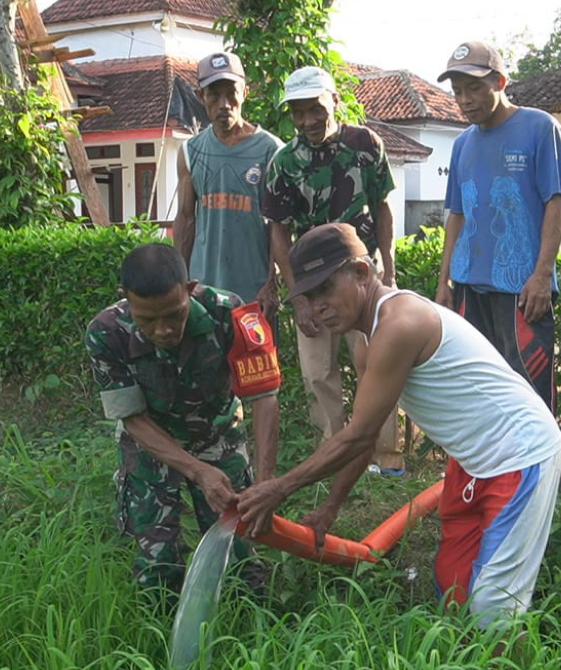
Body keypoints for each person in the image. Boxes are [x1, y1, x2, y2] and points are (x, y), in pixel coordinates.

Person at [237, 223, 561, 631]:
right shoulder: (367, 345)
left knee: (493, 609)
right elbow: (367, 435)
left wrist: (279, 488)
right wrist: (329, 509)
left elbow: (355, 435)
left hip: (520, 453)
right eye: (308, 297)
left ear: (360, 273)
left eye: (324, 290)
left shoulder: (399, 323)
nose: (317, 306)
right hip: (473, 460)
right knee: (453, 585)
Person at [85, 243, 280, 600]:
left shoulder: (232, 314)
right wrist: (197, 471)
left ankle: (254, 633)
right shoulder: (106, 332)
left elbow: (264, 398)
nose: (163, 330)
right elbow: (133, 418)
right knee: (157, 564)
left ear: (190, 289)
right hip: (151, 445)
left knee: (240, 556)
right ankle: (159, 642)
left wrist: (266, 484)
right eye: (148, 320)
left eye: (175, 314)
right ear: (125, 299)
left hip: (217, 434)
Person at [263, 65, 403, 471]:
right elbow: (278, 232)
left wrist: (388, 269)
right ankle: (334, 455)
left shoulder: (366, 144)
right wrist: (298, 296)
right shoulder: (284, 162)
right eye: (298, 112)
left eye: (315, 109)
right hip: (312, 282)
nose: (307, 121)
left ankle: (385, 456)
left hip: (362, 275)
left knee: (378, 360)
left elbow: (382, 208)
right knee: (317, 373)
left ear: (334, 102)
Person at [435, 40, 561, 414]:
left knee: (528, 389)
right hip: (468, 287)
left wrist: (542, 275)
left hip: (521, 290)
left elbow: (556, 205)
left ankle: (538, 470)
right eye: (458, 91)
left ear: (500, 81)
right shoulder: (462, 144)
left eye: (474, 88)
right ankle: (494, 471)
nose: (464, 99)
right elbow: (458, 215)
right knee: (479, 390)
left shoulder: (540, 127)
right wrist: (444, 282)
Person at [173, 51, 283, 320]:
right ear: (201, 97)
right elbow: (186, 219)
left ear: (245, 93)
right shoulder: (190, 151)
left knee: (255, 363)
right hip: (202, 293)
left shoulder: (271, 150)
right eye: (214, 95)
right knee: (206, 363)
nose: (224, 104)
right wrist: (179, 283)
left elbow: (279, 227)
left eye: (231, 93)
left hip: (254, 294)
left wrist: (271, 284)